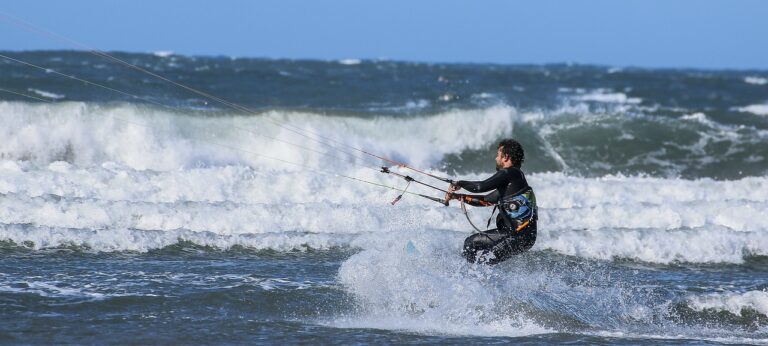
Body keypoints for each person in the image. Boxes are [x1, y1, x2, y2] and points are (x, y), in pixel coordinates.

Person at [447, 139, 537, 264]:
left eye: (498, 155)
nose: (496, 158)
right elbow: (485, 201)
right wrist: (458, 197)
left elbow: (481, 187)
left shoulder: (510, 173)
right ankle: (468, 278)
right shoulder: (514, 180)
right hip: (518, 236)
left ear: (505, 157)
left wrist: (459, 183)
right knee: (471, 243)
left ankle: (470, 280)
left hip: (518, 236)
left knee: (484, 260)